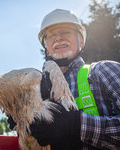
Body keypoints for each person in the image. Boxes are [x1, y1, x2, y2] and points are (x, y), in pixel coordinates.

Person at [8, 9, 120, 150]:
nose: (58, 38)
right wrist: (24, 122)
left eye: (66, 32)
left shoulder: (103, 71)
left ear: (81, 40)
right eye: (51, 35)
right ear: (46, 47)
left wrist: (77, 125)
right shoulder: (37, 90)